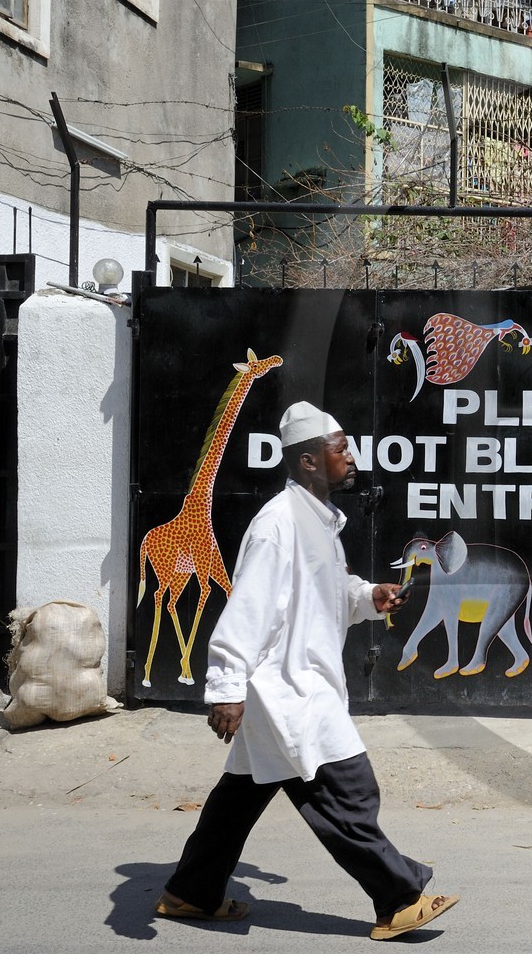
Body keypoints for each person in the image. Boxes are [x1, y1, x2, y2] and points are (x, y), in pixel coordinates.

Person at [154, 402, 458, 941]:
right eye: (341, 448)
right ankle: (399, 900)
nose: (352, 457)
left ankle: (189, 893)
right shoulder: (277, 525)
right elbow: (247, 610)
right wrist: (225, 688)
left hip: (299, 683)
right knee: (347, 790)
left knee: (239, 797)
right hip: (286, 688)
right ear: (309, 461)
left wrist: (368, 596)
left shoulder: (316, 522)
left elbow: (322, 593)